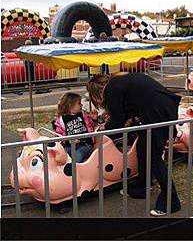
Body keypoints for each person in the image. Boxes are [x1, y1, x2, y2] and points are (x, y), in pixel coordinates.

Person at [87, 72, 182, 216]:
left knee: (153, 156)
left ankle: (171, 201)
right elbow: (133, 104)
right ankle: (142, 186)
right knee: (143, 149)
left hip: (157, 114)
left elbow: (118, 122)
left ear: (97, 91)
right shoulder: (120, 82)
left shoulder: (112, 89)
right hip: (159, 110)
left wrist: (104, 129)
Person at [53, 92, 96, 163]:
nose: (81, 105)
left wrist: (94, 119)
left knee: (79, 154)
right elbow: (59, 136)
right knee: (63, 154)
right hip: (69, 145)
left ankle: (75, 171)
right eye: (79, 103)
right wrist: (68, 140)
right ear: (70, 105)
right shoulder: (61, 119)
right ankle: (62, 170)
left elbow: (90, 126)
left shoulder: (83, 114)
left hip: (85, 144)